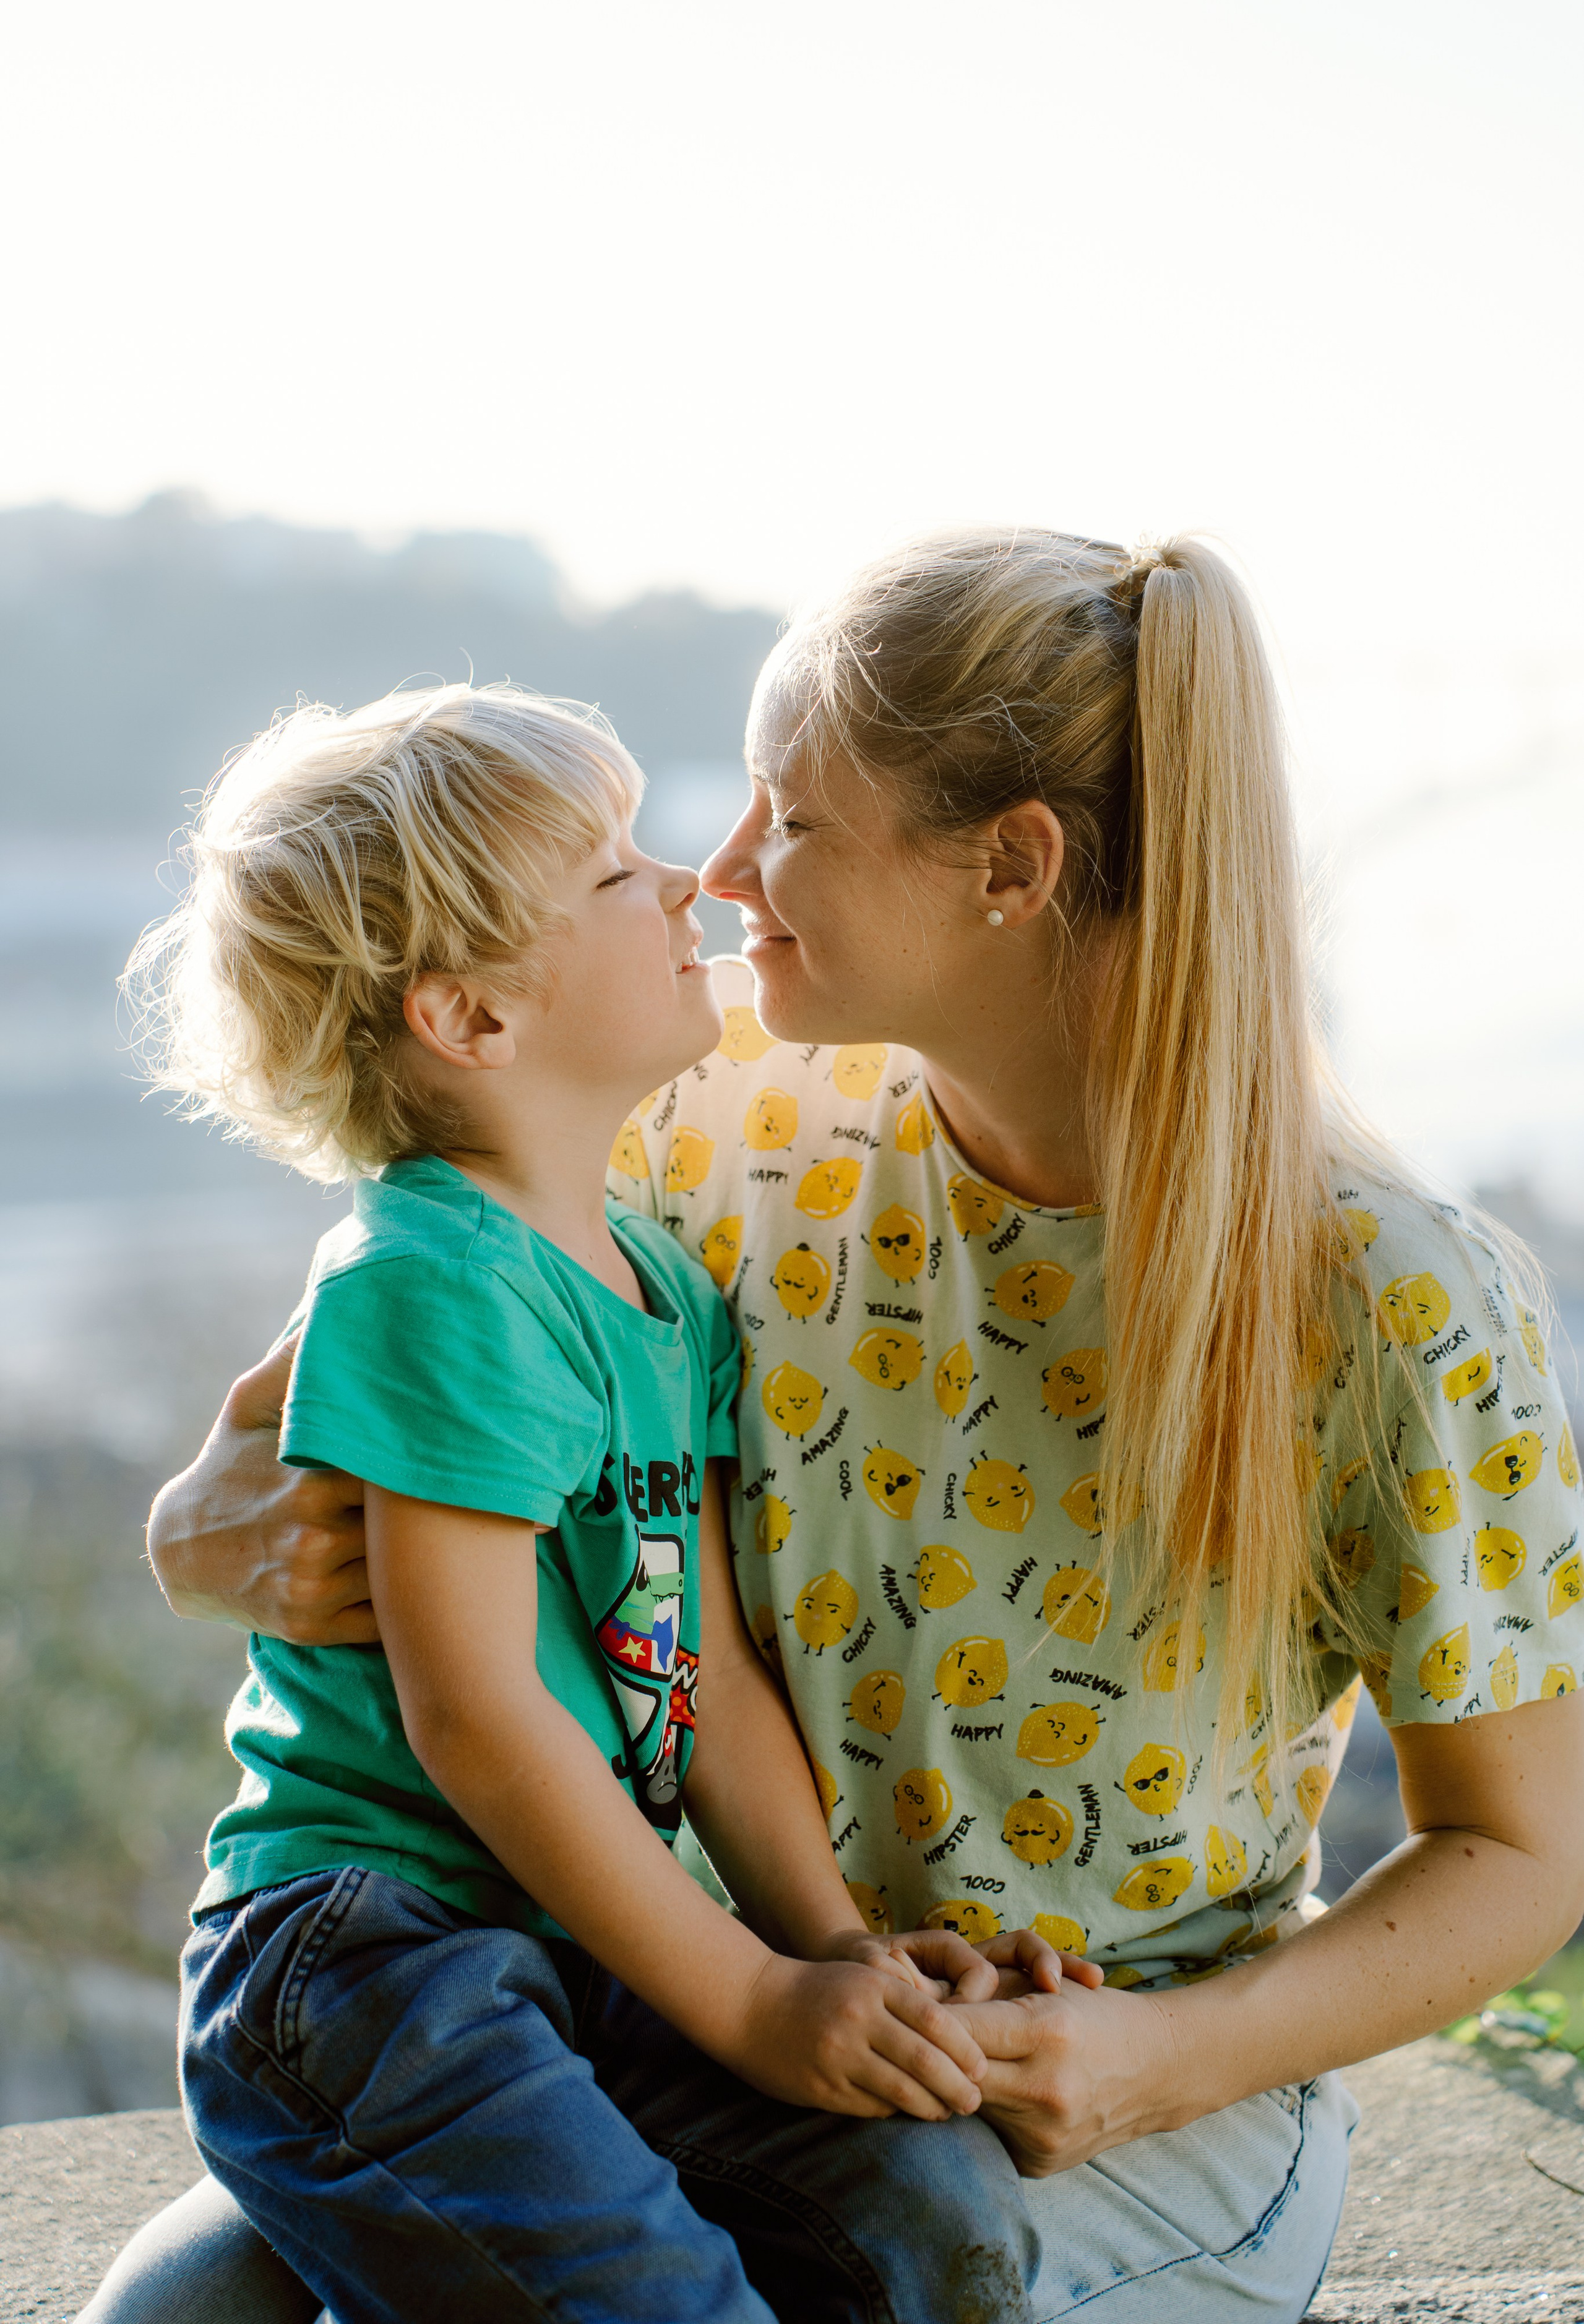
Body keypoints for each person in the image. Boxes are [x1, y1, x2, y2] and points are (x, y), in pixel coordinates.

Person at [106, 533, 1584, 2324]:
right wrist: (203, 1528)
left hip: (1109, 2085)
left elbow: (1523, 1856)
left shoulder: (1396, 1302)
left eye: (787, 817)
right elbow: (352, 1411)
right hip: (677, 1997)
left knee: (914, 2250)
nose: (723, 875)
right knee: (182, 2313)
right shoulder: (708, 1132)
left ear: (1009, 870)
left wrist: (1162, 2059)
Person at [103, 681, 1088, 2324]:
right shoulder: (430, 1283)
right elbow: (478, 1720)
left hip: (557, 1928)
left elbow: (692, 1687)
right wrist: (754, 2008)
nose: (688, 888)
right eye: (619, 876)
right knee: (645, 2297)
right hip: (364, 1953)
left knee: (937, 2210)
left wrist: (832, 1953)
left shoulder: (659, 1289)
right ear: (472, 1019)